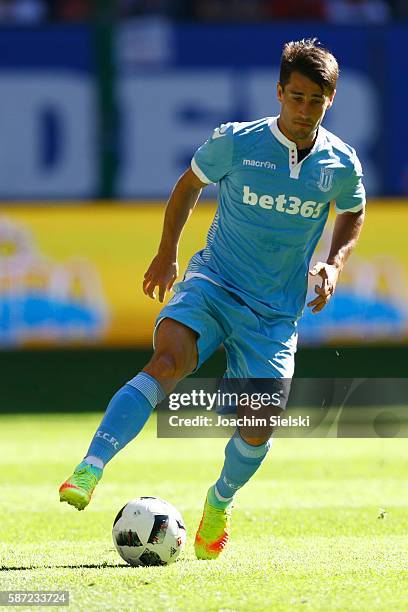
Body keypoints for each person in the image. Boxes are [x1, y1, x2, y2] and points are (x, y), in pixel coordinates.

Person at [59, 38, 365, 560]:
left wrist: (334, 264)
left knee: (259, 423)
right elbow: (187, 186)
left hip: (274, 313)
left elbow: (352, 211)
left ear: (330, 101)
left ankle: (219, 501)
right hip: (214, 283)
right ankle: (91, 465)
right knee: (168, 360)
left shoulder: (340, 163)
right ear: (279, 93)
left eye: (316, 100)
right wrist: (166, 254)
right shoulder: (236, 142)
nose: (304, 109)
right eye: (296, 97)